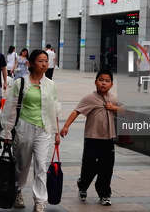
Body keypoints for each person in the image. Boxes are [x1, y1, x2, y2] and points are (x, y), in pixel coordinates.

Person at [0, 49, 61, 212]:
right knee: (22, 165)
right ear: (31, 63)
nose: (44, 64)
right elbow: (10, 108)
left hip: (44, 129)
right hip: (24, 128)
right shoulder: (21, 83)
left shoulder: (51, 84)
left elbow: (54, 108)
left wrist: (57, 132)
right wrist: (6, 132)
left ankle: (40, 201)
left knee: (41, 165)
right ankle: (18, 191)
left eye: (46, 61)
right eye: (40, 61)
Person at [60, 69, 125, 206]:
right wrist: (66, 126)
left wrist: (113, 107)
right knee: (89, 166)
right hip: (92, 138)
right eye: (101, 80)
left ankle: (104, 194)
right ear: (95, 82)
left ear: (111, 84)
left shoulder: (113, 98)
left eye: (107, 81)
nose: (103, 83)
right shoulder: (90, 98)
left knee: (107, 168)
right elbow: (76, 111)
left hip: (108, 139)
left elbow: (124, 110)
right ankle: (82, 185)